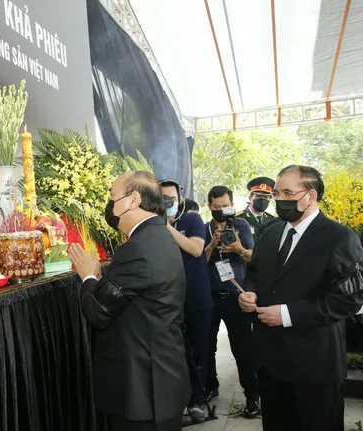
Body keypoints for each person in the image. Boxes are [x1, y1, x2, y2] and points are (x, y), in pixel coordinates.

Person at [239, 165, 363, 431]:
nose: (280, 200)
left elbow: (348, 299)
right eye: (277, 193)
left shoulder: (340, 238)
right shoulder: (270, 233)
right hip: (270, 362)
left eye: (287, 192)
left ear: (311, 195)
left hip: (313, 365)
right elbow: (255, 275)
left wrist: (287, 314)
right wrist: (249, 294)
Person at [68, 171, 189, 431]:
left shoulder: (138, 248)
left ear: (133, 200)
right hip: (161, 379)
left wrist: (88, 276)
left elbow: (98, 313)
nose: (110, 206)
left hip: (142, 390)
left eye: (113, 198)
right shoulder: (159, 237)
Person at [203, 185, 260, 418]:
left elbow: (253, 257)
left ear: (232, 205)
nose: (221, 210)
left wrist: (238, 248)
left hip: (237, 298)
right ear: (210, 207)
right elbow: (198, 261)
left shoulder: (242, 226)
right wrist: (212, 245)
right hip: (209, 297)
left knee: (243, 349)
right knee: (207, 347)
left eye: (225, 206)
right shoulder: (204, 228)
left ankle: (253, 397)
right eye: (216, 207)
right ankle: (210, 386)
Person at [160, 180, 213, 424]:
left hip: (196, 298)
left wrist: (166, 226)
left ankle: (196, 401)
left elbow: (195, 249)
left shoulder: (191, 221)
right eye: (161, 198)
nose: (167, 203)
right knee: (173, 353)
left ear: (179, 200)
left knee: (198, 351)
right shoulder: (150, 227)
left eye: (171, 199)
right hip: (167, 301)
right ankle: (176, 401)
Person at [236, 177, 276, 243]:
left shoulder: (272, 220)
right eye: (258, 196)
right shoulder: (238, 219)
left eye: (266, 197)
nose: (262, 200)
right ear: (250, 198)